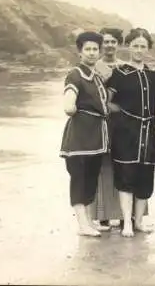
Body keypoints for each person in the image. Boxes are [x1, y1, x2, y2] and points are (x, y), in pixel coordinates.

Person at [106, 28, 155, 237]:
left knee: (145, 177)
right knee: (126, 176)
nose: (138, 50)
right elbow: (107, 102)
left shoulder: (153, 74)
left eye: (143, 46)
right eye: (135, 45)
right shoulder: (119, 73)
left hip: (149, 131)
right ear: (128, 47)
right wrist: (123, 115)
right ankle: (126, 222)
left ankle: (139, 222)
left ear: (148, 49)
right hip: (125, 132)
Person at [59, 31, 109, 237]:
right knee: (79, 178)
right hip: (80, 136)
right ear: (80, 52)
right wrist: (73, 108)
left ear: (99, 52)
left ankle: (89, 221)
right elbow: (69, 105)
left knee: (91, 178)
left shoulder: (96, 76)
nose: (91, 53)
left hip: (96, 136)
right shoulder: (75, 75)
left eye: (95, 49)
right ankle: (82, 225)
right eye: (87, 49)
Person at [88, 27, 124, 231]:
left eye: (113, 41)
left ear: (119, 44)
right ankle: (101, 216)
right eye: (106, 42)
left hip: (121, 123)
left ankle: (121, 214)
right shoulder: (93, 66)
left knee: (119, 166)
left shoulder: (124, 67)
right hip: (100, 122)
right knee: (101, 168)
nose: (109, 45)